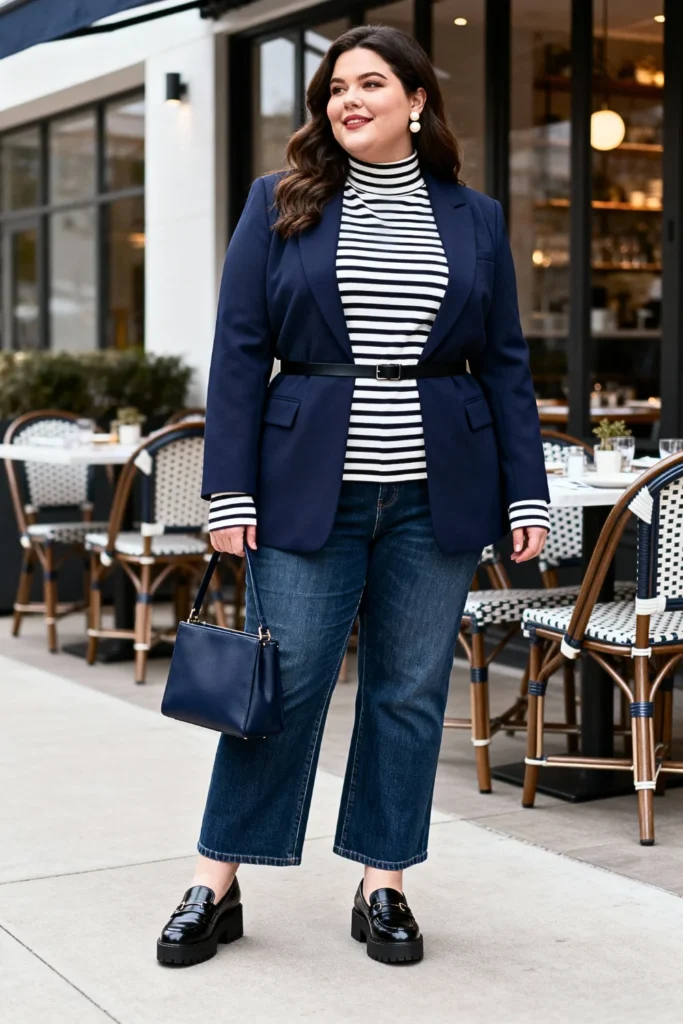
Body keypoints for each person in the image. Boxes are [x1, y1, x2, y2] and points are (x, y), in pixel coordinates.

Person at [157, 23, 549, 968]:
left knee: (409, 693)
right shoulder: (278, 202)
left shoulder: (474, 217)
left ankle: (384, 883)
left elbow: (502, 365)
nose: (347, 100)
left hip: (435, 492)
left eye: (371, 84)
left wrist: (526, 495)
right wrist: (227, 489)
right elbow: (242, 353)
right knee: (281, 687)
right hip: (303, 490)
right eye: (335, 88)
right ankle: (218, 877)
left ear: (417, 103)